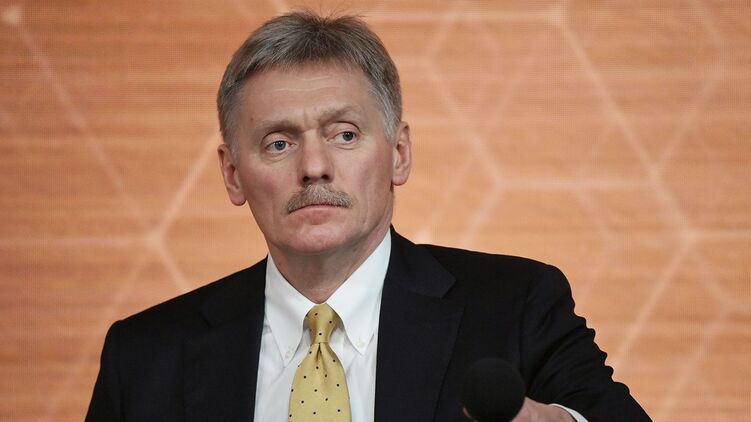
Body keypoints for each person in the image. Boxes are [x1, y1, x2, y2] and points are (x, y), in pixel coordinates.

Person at [86, 11, 651, 422]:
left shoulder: (517, 306)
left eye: (345, 135)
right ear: (233, 174)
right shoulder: (144, 358)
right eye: (279, 143)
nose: (314, 167)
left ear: (398, 154)